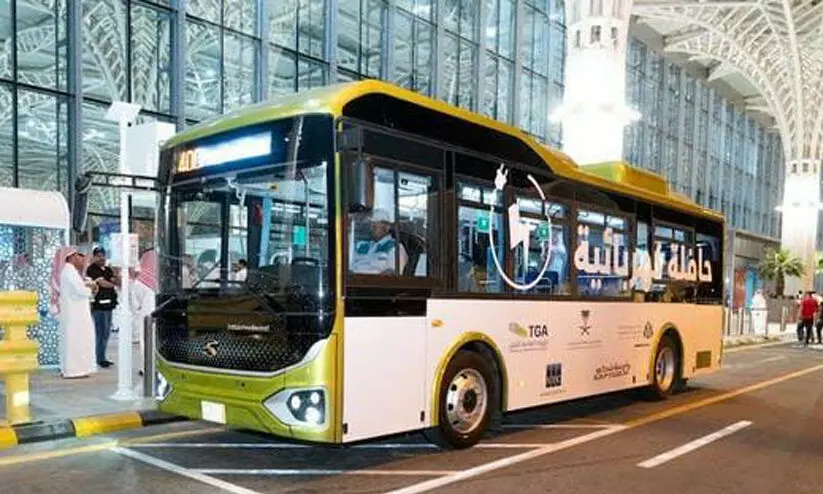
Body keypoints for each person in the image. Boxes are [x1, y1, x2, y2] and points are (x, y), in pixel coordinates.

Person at [56, 248, 98, 379]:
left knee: (77, 341)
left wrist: (87, 286)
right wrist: (91, 287)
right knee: (76, 341)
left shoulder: (70, 271)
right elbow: (81, 291)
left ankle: (76, 369)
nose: (82, 259)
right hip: (76, 316)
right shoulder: (69, 271)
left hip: (75, 314)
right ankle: (75, 370)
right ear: (72, 257)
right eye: (80, 256)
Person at [86, 246, 119, 368]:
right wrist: (112, 284)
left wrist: (116, 274)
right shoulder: (92, 269)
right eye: (99, 256)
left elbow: (117, 282)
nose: (102, 258)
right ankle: (99, 358)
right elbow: (103, 283)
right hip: (99, 306)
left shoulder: (107, 269)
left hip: (109, 305)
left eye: (103, 255)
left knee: (106, 333)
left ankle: (102, 357)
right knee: (101, 332)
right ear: (94, 257)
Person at [349, 209, 408, 275]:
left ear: (386, 227)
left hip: (371, 283)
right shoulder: (361, 245)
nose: (371, 228)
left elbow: (392, 274)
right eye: (371, 225)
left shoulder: (395, 247)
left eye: (374, 226)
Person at [131, 248, 156, 376]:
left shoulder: (139, 281)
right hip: (161, 316)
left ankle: (145, 367)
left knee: (146, 342)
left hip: (145, 317)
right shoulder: (160, 279)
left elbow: (135, 303)